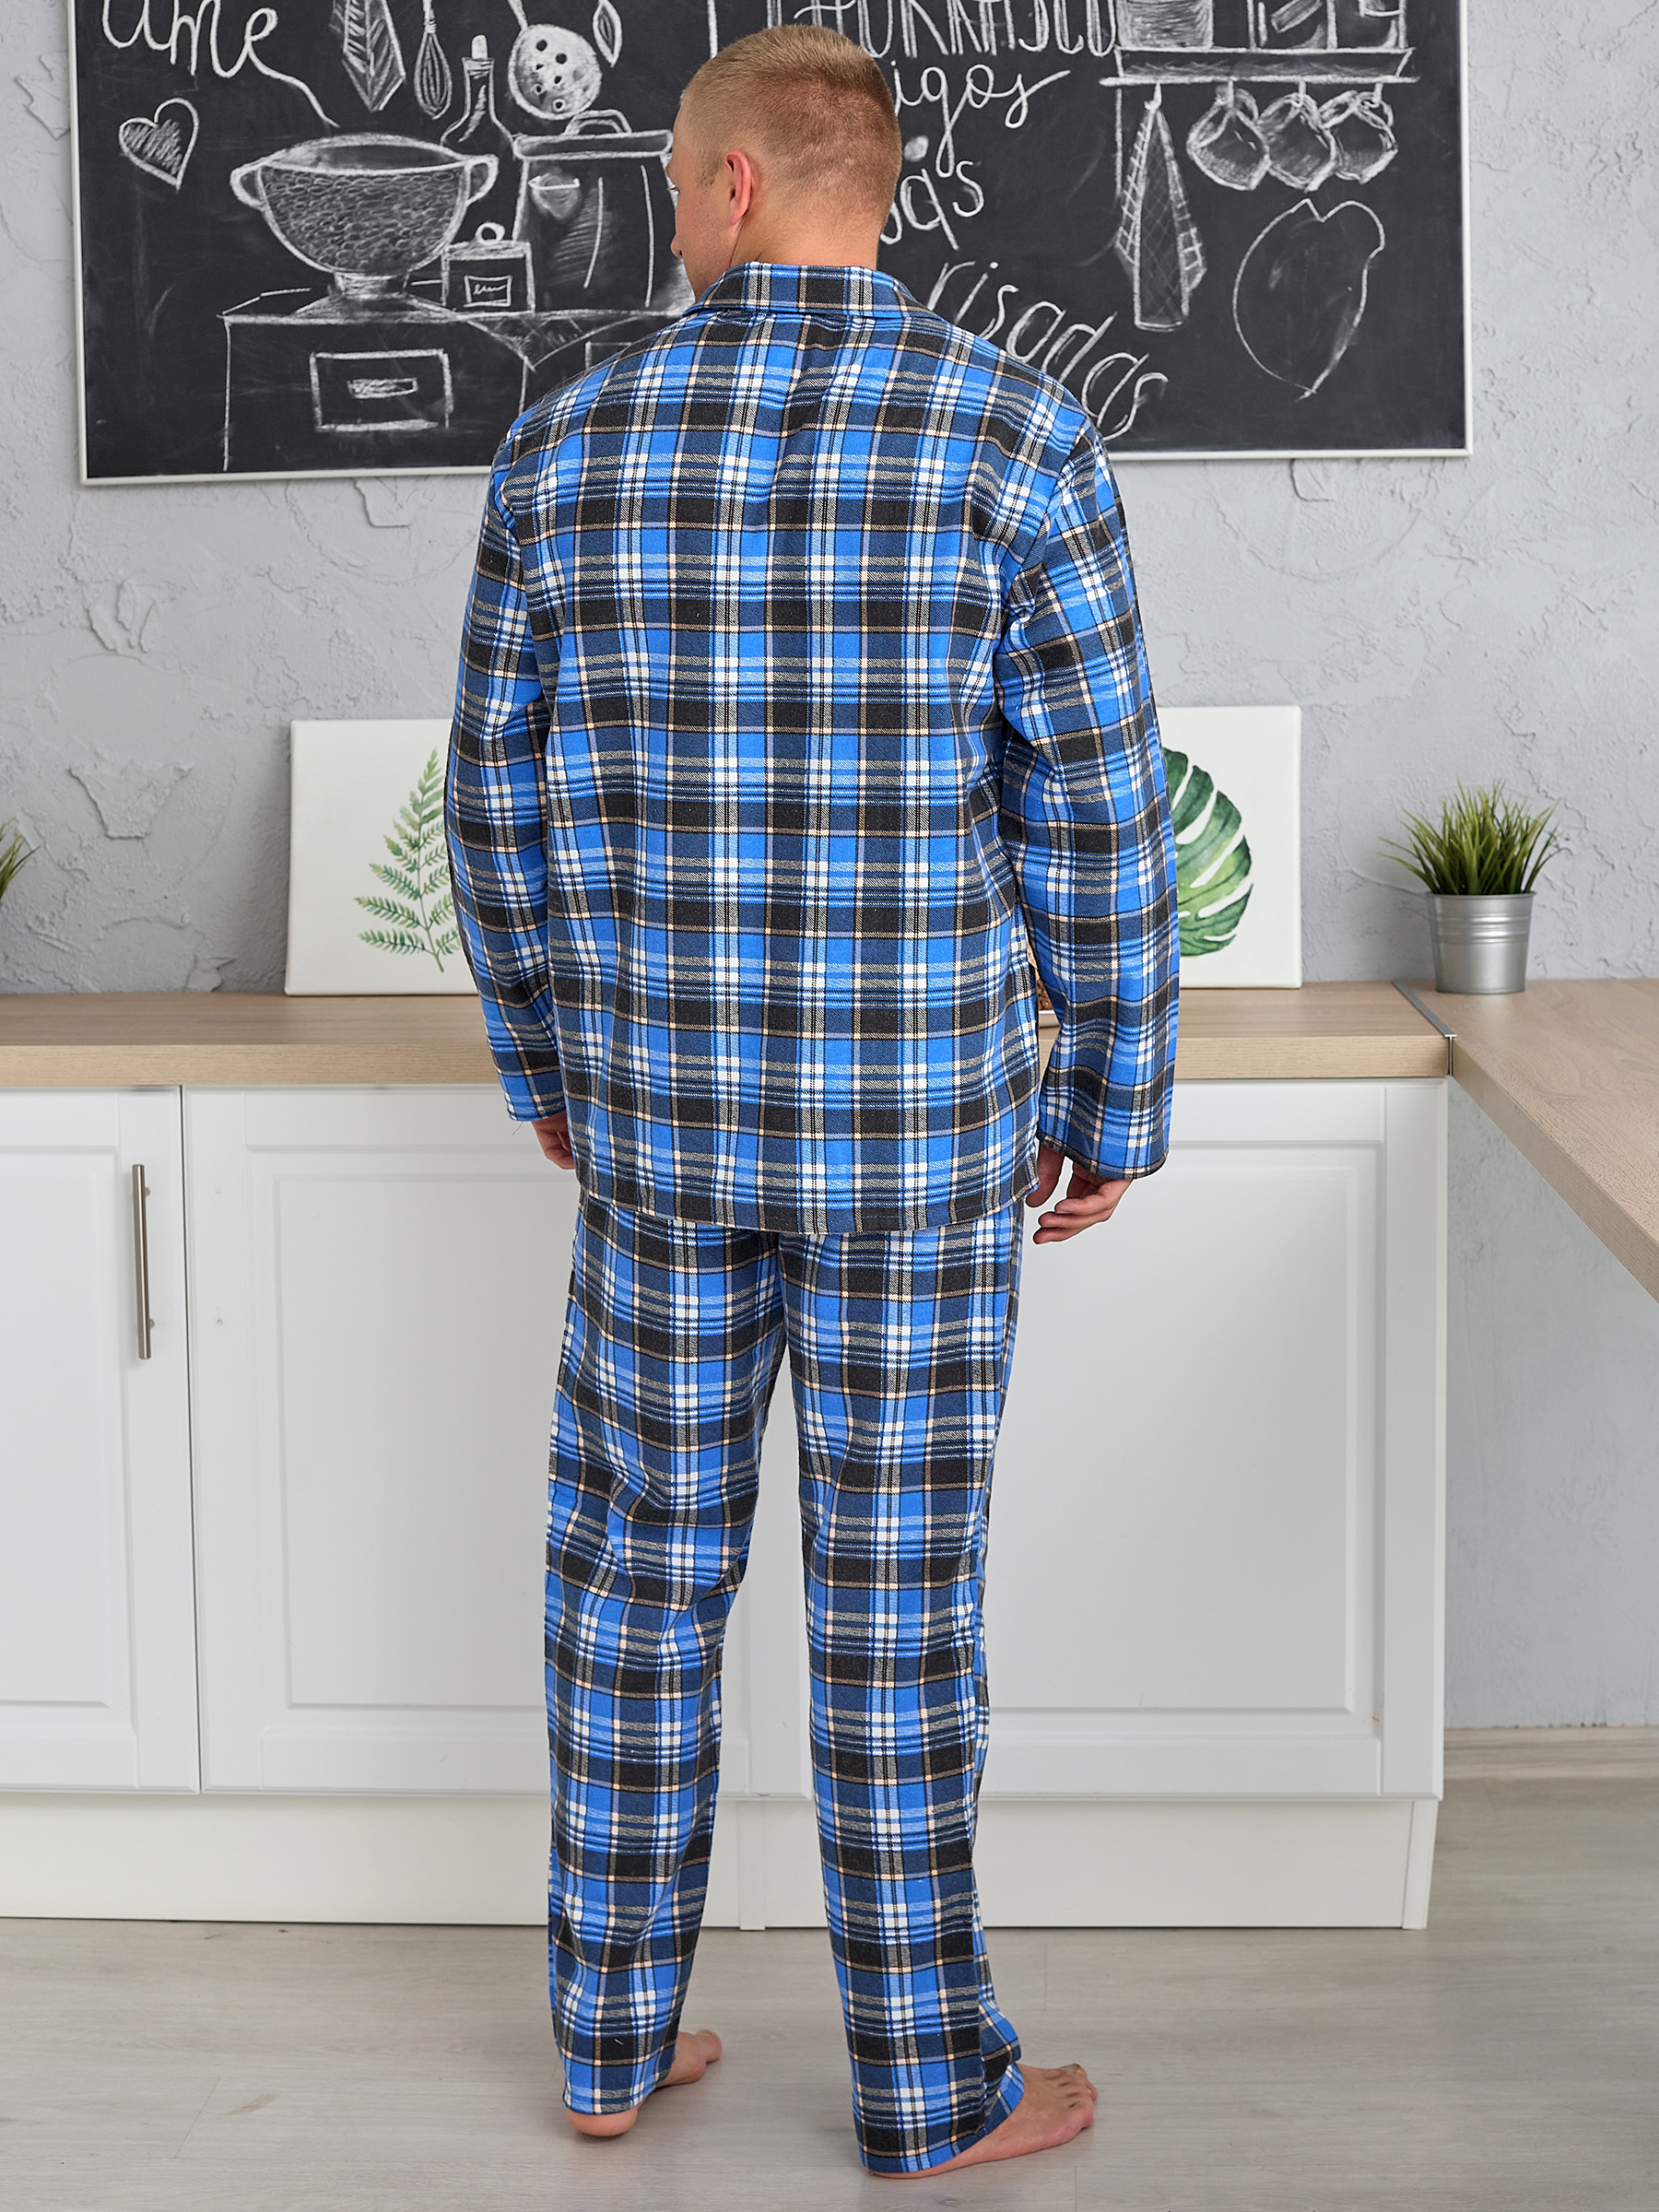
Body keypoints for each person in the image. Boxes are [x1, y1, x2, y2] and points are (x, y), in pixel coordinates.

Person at [443, 22, 1178, 2180]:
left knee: (635, 1584)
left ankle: (606, 2042)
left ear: (741, 184)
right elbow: (1100, 813)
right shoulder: (1019, 435)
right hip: (922, 1143)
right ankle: (928, 2085)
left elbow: (494, 804)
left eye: (675, 176)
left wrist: (547, 1055)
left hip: (662, 1134)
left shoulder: (567, 440)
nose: (670, 210)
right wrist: (1115, 1091)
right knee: (894, 1608)